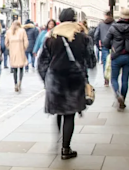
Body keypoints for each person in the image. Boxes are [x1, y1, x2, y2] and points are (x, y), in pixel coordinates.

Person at [38, 8, 95, 160]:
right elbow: (91, 61)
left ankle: (58, 140)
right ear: (74, 19)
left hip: (55, 80)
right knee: (69, 115)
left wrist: (46, 79)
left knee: (58, 112)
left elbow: (42, 62)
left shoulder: (51, 37)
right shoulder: (83, 37)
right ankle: (66, 148)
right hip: (74, 80)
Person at [103, 8, 129, 111]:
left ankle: (117, 94)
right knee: (125, 80)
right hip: (128, 56)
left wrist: (113, 45)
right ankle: (123, 100)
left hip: (116, 56)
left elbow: (106, 43)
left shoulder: (113, 27)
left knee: (114, 78)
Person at [5, 21, 28, 92]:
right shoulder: (22, 31)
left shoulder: (9, 31)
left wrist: (10, 48)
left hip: (13, 52)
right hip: (20, 51)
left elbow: (6, 43)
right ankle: (20, 81)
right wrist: (24, 48)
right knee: (21, 68)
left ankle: (15, 83)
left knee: (14, 69)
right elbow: (26, 41)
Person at [94, 11, 114, 86]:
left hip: (104, 45)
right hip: (114, 46)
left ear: (105, 16)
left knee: (105, 62)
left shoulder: (101, 24)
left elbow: (96, 35)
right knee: (113, 62)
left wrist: (97, 44)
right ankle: (113, 78)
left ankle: (106, 79)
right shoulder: (115, 24)